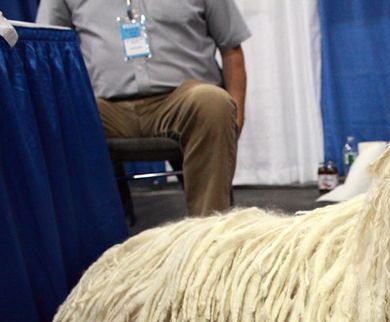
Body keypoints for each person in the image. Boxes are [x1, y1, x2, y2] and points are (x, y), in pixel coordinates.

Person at [36, 0, 250, 216]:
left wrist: (236, 118)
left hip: (180, 101)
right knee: (64, 115)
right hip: (103, 106)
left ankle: (209, 233)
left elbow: (231, 50)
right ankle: (95, 234)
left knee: (213, 101)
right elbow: (44, 48)